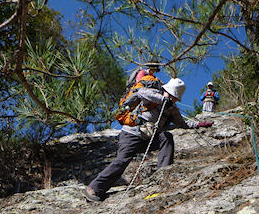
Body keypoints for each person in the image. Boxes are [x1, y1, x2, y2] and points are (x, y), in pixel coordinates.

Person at [84, 77, 213, 202]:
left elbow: (182, 124)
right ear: (166, 91)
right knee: (122, 161)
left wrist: (200, 124)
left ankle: (163, 174)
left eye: (175, 98)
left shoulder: (172, 109)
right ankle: (94, 188)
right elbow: (141, 92)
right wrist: (163, 99)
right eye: (172, 96)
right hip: (131, 135)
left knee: (166, 137)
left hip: (147, 139)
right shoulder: (154, 95)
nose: (173, 100)